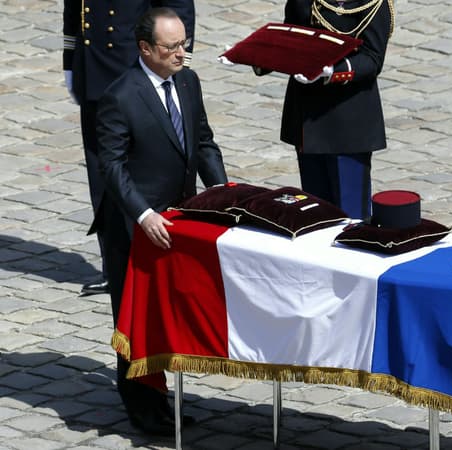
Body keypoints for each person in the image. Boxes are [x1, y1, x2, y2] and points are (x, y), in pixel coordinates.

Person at [95, 7, 227, 435]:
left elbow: (203, 141)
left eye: (184, 43)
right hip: (136, 225)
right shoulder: (120, 95)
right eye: (171, 47)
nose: (181, 53)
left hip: (176, 221)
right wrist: (143, 213)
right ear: (146, 49)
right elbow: (112, 168)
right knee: (134, 318)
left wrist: (225, 194)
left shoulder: (187, 82)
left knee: (166, 314)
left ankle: (163, 399)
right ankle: (140, 407)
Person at [63, 0, 196, 296]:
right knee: (103, 177)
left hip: (135, 69)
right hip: (93, 68)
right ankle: (114, 265)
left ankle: (155, 259)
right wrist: (70, 59)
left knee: (152, 170)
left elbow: (177, 6)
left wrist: (179, 66)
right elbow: (75, 6)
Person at [256, 0, 394, 220]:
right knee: (315, 214)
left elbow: (372, 58)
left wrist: (334, 71)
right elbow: (290, 38)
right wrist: (252, 54)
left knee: (349, 217)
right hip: (307, 119)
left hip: (347, 122)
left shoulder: (372, 3)